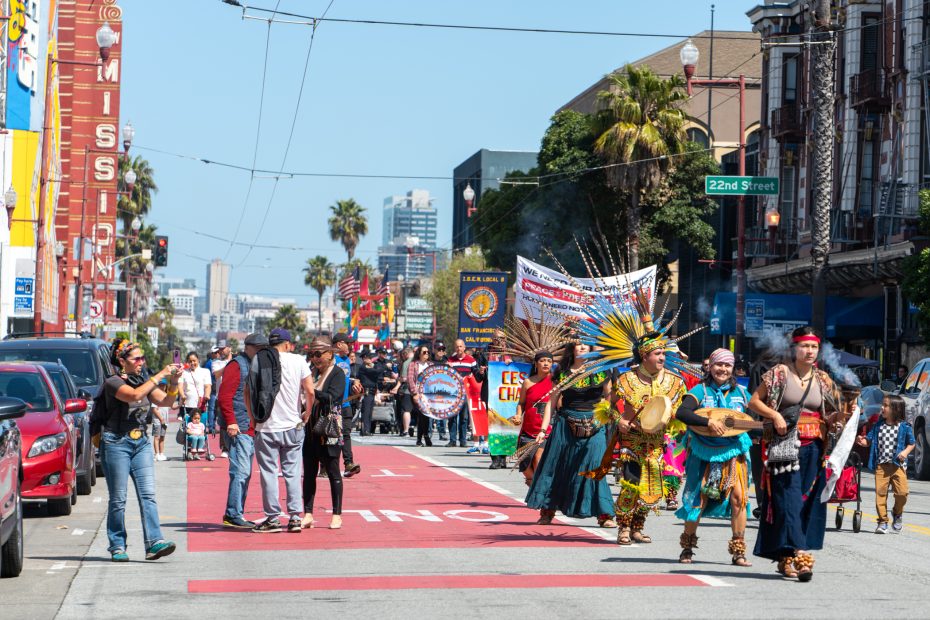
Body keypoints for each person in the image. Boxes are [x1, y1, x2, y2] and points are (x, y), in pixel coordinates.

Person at [748, 325, 841, 582]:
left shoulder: (823, 379)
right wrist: (775, 414)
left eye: (813, 347)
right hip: (784, 446)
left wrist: (840, 417)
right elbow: (753, 401)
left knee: (805, 504)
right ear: (794, 348)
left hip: (813, 449)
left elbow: (829, 414)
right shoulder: (778, 373)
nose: (809, 351)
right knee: (788, 501)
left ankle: (784, 557)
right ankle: (801, 556)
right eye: (804, 346)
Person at [99, 338, 180, 562]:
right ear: (122, 361)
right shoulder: (113, 382)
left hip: (141, 443)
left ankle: (154, 542)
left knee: (148, 495)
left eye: (143, 358)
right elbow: (134, 395)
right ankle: (117, 545)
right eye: (137, 359)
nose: (141, 362)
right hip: (116, 443)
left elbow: (167, 402)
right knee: (118, 498)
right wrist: (161, 374)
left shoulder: (142, 379)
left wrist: (173, 382)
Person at [673, 348, 753, 566]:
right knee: (697, 500)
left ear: (733, 368)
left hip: (734, 452)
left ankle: (738, 551)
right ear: (711, 367)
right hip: (703, 451)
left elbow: (755, 421)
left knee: (739, 499)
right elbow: (682, 412)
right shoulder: (701, 391)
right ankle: (687, 548)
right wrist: (707, 422)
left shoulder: (743, 394)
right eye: (719, 365)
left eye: (727, 365)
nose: (723, 369)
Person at [525, 343, 616, 527]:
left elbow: (610, 397)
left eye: (585, 345)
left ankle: (604, 514)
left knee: (595, 467)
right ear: (572, 350)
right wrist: (543, 430)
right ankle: (547, 511)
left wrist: (603, 417)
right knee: (556, 466)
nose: (582, 347)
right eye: (578, 345)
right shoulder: (562, 373)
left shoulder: (601, 370)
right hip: (565, 424)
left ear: (591, 350)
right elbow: (552, 402)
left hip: (595, 424)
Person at [610, 332, 687, 544]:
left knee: (651, 488)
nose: (663, 357)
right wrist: (620, 421)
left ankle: (637, 527)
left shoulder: (675, 382)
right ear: (645, 356)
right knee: (631, 484)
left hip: (657, 443)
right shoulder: (627, 379)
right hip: (632, 441)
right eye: (658, 353)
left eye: (663, 353)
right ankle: (623, 527)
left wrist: (672, 425)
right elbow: (608, 406)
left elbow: (680, 412)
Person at [249, 328, 314, 534]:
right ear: (287, 344)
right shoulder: (299, 361)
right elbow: (310, 391)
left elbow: (247, 390)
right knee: (293, 472)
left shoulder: (261, 359)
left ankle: (273, 518)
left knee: (268, 473)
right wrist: (307, 412)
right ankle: (295, 517)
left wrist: (253, 418)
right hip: (293, 425)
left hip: (266, 426)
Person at [216, 332, 267, 529]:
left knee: (244, 472)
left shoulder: (253, 365)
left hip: (248, 426)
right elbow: (224, 396)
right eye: (259, 348)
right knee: (241, 471)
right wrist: (231, 421)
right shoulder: (237, 365)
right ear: (249, 347)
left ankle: (235, 512)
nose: (262, 351)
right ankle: (233, 514)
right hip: (239, 426)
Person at [301, 336, 346, 530]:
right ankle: (308, 513)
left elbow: (333, 398)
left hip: (330, 427)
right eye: (312, 354)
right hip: (310, 428)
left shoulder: (337, 373)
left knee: (334, 472)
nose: (316, 358)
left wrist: (312, 391)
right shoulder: (310, 372)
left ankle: (337, 514)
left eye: (319, 354)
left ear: (330, 353)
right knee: (309, 473)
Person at [856, 394, 915, 534]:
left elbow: (911, 443)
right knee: (880, 494)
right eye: (883, 404)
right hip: (881, 465)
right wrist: (861, 441)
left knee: (902, 493)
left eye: (886, 405)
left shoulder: (905, 427)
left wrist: (905, 453)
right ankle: (882, 522)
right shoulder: (878, 426)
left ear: (896, 409)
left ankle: (897, 513)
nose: (882, 407)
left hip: (898, 466)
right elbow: (868, 441)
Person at [512, 351, 554, 485]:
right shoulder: (528, 382)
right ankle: (533, 483)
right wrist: (518, 414)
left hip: (546, 430)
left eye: (549, 360)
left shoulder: (556, 382)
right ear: (536, 364)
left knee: (538, 459)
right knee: (525, 467)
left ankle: (540, 493)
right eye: (542, 360)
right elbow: (521, 403)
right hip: (528, 430)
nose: (546, 363)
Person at [332, 333, 363, 477]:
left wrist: (354, 382)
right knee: (330, 435)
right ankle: (325, 465)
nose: (350, 346)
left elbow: (346, 377)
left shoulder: (346, 359)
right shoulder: (330, 359)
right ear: (339, 344)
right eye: (348, 343)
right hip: (332, 404)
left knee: (346, 434)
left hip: (346, 404)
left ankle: (349, 464)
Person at [447, 339, 477, 448]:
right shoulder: (450, 360)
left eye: (460, 346)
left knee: (464, 417)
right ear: (454, 348)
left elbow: (476, 375)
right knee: (452, 417)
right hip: (453, 393)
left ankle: (463, 440)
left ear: (464, 347)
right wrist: (447, 367)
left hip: (466, 393)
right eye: (457, 347)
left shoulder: (471, 360)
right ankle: (452, 440)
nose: (459, 349)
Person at [408, 345, 434, 447]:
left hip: (428, 395)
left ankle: (426, 435)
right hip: (418, 394)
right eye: (424, 352)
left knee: (426, 416)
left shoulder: (431, 365)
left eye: (427, 352)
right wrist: (415, 393)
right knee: (421, 415)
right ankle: (420, 438)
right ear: (419, 353)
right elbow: (410, 379)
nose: (426, 354)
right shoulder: (413, 364)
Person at [357, 351, 387, 436]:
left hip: (372, 391)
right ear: (363, 359)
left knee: (369, 411)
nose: (369, 360)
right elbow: (376, 372)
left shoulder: (372, 366)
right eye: (367, 358)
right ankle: (364, 430)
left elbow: (378, 374)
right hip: (366, 391)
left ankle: (367, 429)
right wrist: (384, 366)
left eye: (370, 358)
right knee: (366, 411)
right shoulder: (363, 367)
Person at [178, 352, 211, 426]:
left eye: (194, 360)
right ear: (187, 362)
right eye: (190, 361)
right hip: (186, 405)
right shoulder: (183, 372)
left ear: (198, 360)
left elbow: (207, 386)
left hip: (200, 404)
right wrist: (182, 395)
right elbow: (180, 386)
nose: (192, 363)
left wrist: (207, 395)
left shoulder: (205, 371)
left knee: (200, 427)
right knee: (187, 428)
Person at [397, 347, 415, 437]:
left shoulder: (406, 363)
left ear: (405, 354)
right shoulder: (419, 362)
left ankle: (406, 430)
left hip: (407, 389)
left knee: (406, 410)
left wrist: (398, 380)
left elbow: (403, 378)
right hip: (419, 390)